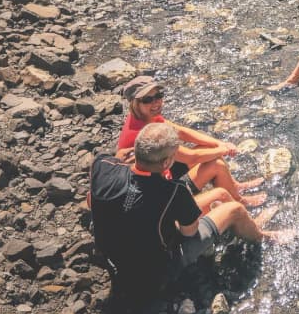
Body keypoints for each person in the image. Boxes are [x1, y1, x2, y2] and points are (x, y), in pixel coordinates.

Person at [90, 123, 284, 303]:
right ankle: (261, 235)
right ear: (166, 162)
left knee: (221, 194)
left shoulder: (102, 166)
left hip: (112, 256)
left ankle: (248, 223)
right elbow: (189, 233)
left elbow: (94, 196)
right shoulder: (173, 191)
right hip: (155, 272)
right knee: (235, 209)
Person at [116, 75, 265, 207]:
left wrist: (218, 143)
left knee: (208, 149)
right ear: (135, 104)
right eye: (148, 99)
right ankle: (239, 201)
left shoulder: (144, 116)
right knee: (216, 164)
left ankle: (233, 186)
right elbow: (192, 157)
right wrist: (224, 149)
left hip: (160, 169)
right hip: (159, 189)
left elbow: (181, 131)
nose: (156, 102)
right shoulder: (145, 133)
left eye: (158, 95)